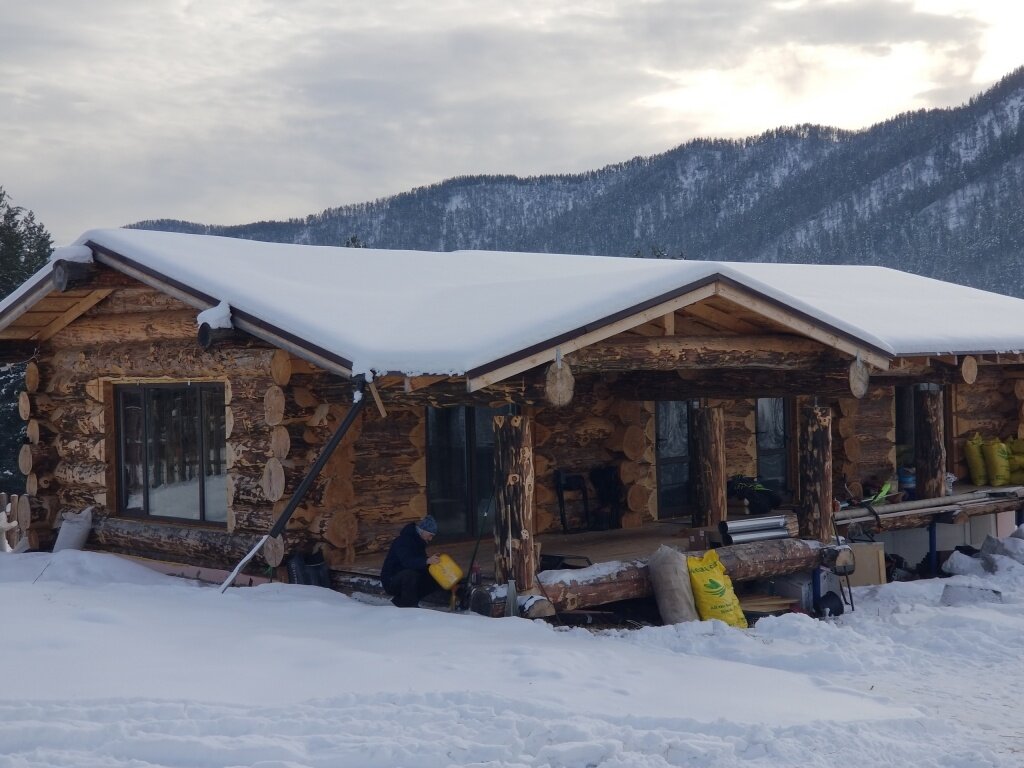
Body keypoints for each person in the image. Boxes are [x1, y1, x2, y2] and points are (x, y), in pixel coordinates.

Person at [380, 514, 443, 607]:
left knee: (435, 576)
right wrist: (427, 561)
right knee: (410, 575)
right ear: (423, 531)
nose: (431, 539)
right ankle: (410, 608)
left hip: (406, 576)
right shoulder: (403, 541)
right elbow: (407, 562)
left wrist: (433, 564)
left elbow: (419, 561)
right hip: (391, 579)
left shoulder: (419, 541)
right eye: (430, 535)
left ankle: (402, 601)